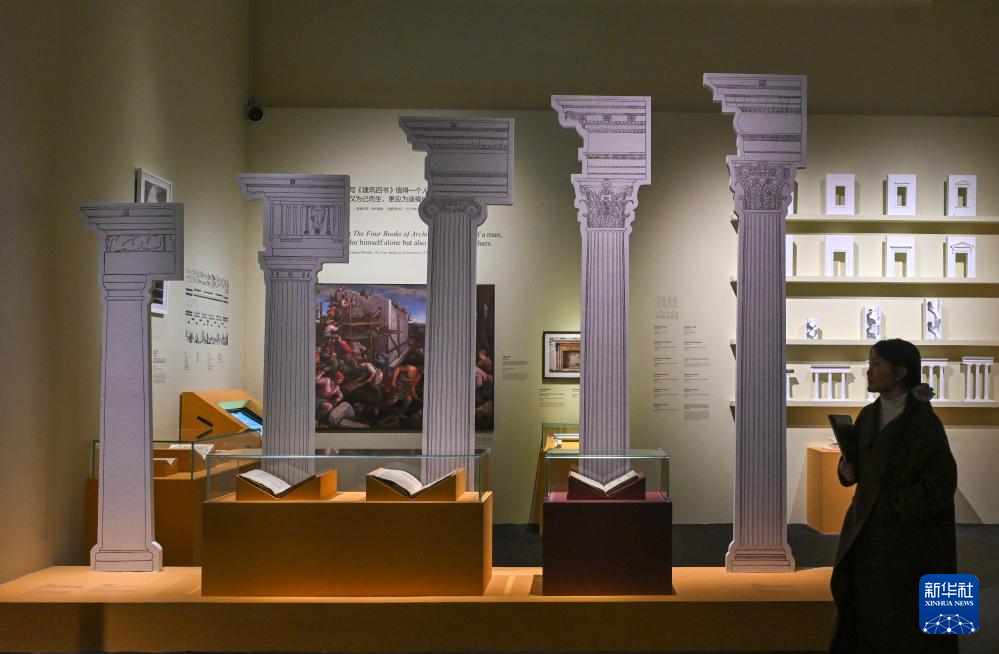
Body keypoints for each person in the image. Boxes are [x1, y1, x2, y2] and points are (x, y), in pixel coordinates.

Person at [829, 339, 958, 653]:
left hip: (909, 538)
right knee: (867, 607)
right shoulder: (868, 415)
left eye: (876, 364)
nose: (869, 371)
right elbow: (857, 464)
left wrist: (899, 505)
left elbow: (942, 481)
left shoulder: (924, 423)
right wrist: (846, 471)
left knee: (904, 615)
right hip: (867, 531)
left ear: (900, 372)